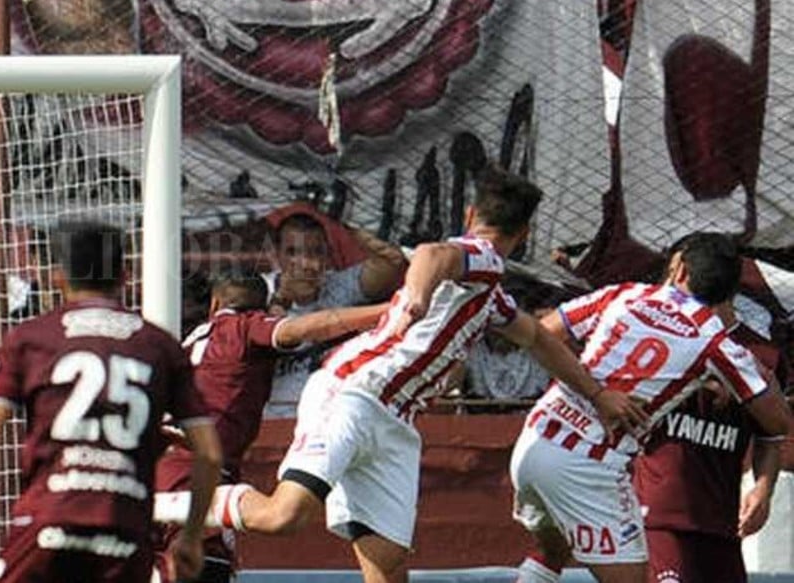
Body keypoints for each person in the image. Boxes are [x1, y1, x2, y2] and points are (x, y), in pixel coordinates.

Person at [155, 168, 644, 583]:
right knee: (284, 515)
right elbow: (433, 255)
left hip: (394, 420)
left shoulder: (489, 294)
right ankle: (163, 505)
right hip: (352, 393)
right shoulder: (482, 255)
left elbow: (537, 338)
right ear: (523, 234)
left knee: (388, 568)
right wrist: (414, 297)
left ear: (470, 212)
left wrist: (598, 394)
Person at [0, 221, 222, 583]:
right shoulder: (160, 346)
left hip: (49, 519)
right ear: (125, 275)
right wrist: (191, 536)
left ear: (58, 277)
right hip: (124, 528)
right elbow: (210, 453)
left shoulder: (31, 338)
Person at [511, 232, 793, 583]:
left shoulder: (624, 294)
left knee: (552, 551)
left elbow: (543, 335)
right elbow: (778, 421)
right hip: (589, 463)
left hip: (535, 440)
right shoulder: (717, 344)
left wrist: (595, 383)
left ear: (680, 270)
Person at [153, 268, 389, 582]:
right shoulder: (242, 327)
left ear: (214, 304)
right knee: (207, 564)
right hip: (197, 469)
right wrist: (388, 311)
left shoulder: (192, 340)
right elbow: (303, 328)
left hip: (159, 461)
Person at [631, 240, 789, 583]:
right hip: (658, 518)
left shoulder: (762, 357)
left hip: (721, 524)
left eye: (675, 272)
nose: (669, 282)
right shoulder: (653, 340)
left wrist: (763, 489)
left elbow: (771, 434)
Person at [261, 211, 408, 417]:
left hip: (329, 415)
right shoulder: (261, 291)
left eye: (315, 252)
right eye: (293, 252)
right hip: (271, 415)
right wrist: (280, 299)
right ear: (277, 255)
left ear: (326, 256)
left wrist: (346, 220)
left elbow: (392, 262)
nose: (304, 262)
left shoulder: (339, 286)